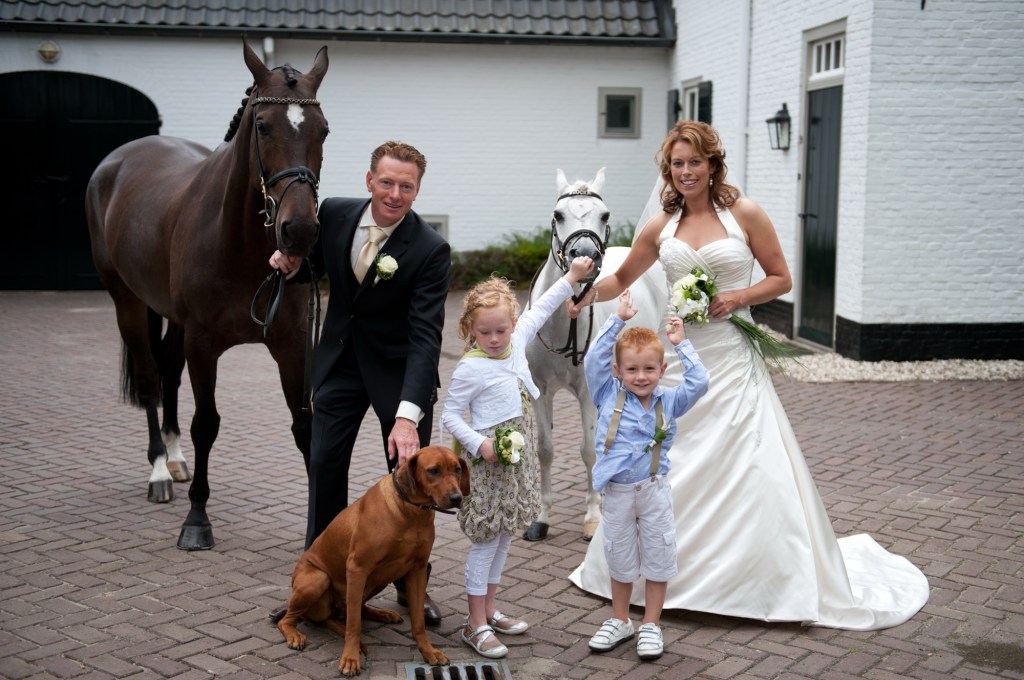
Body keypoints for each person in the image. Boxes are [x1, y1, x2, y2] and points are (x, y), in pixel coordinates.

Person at [568, 120, 929, 631]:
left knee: (748, 460)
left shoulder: (745, 214)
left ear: (713, 164)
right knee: (665, 455)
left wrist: (737, 296)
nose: (686, 171)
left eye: (695, 162)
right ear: (668, 170)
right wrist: (581, 294)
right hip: (678, 359)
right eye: (677, 163)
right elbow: (622, 278)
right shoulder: (661, 226)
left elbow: (782, 279)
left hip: (732, 356)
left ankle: (753, 580)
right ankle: (656, 575)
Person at [268, 140, 451, 625]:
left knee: (413, 486)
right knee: (324, 466)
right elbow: (315, 265)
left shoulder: (430, 249)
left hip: (399, 377)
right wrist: (291, 263)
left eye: (406, 187)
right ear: (370, 180)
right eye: (386, 182)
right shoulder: (334, 213)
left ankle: (412, 589)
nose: (394, 194)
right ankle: (314, 578)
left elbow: (426, 336)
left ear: (417, 190)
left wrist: (408, 417)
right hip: (340, 366)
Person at [440, 256, 595, 658]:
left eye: (501, 330)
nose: (494, 339)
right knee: (486, 540)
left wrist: (572, 277)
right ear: (470, 329)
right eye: (484, 332)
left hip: (517, 462)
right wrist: (480, 445)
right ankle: (474, 623)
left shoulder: (519, 338)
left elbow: (543, 305)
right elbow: (450, 416)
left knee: (506, 535)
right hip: (488, 466)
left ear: (513, 324)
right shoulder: (470, 369)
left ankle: (490, 610)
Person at [584, 290, 708, 660]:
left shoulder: (669, 400)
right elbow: (593, 358)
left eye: (649, 369)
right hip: (618, 493)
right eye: (633, 370)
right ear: (618, 371)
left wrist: (681, 344)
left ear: (661, 370)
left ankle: (651, 624)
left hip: (653, 491)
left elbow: (699, 382)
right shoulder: (606, 393)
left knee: (658, 554)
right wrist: (617, 320)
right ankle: (620, 620)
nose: (641, 377)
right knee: (619, 555)